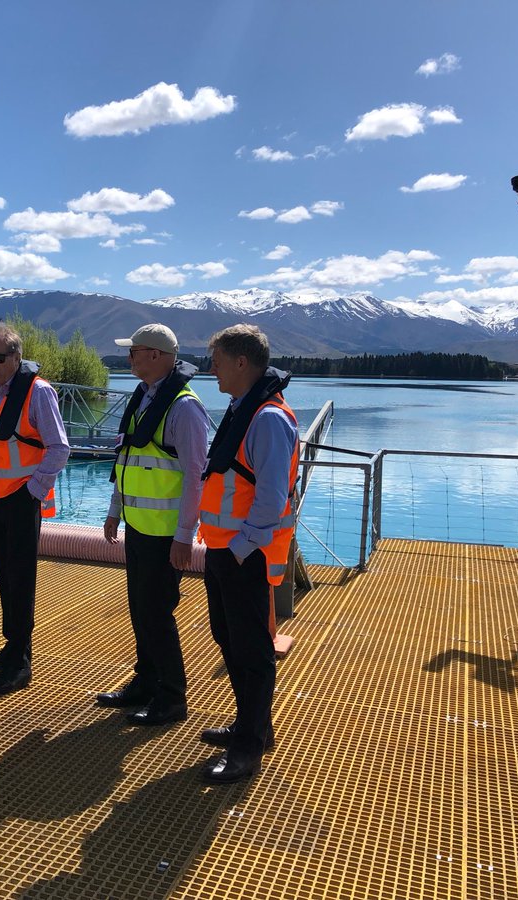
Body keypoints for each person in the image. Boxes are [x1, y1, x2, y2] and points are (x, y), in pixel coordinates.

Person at [197, 324, 298, 783]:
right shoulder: (244, 409)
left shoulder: (268, 419)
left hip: (245, 555)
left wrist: (240, 547)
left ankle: (248, 748)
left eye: (217, 359)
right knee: (229, 639)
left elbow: (273, 494)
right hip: (224, 550)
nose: (210, 368)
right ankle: (252, 724)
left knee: (252, 650)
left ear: (242, 363)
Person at [97, 324, 209, 727]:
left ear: (158, 356)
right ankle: (145, 682)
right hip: (139, 527)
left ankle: (172, 697)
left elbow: (196, 477)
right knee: (140, 611)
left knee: (157, 614)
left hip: (165, 535)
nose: (129, 358)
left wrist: (184, 536)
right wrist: (115, 510)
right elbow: (125, 460)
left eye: (135, 352)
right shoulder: (144, 398)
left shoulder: (184, 408)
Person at [0, 323, 70, 695]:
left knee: (21, 580)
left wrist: (33, 491)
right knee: (4, 577)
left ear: (16, 357)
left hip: (20, 500)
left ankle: (20, 663)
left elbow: (59, 448)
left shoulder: (39, 393)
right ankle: (10, 647)